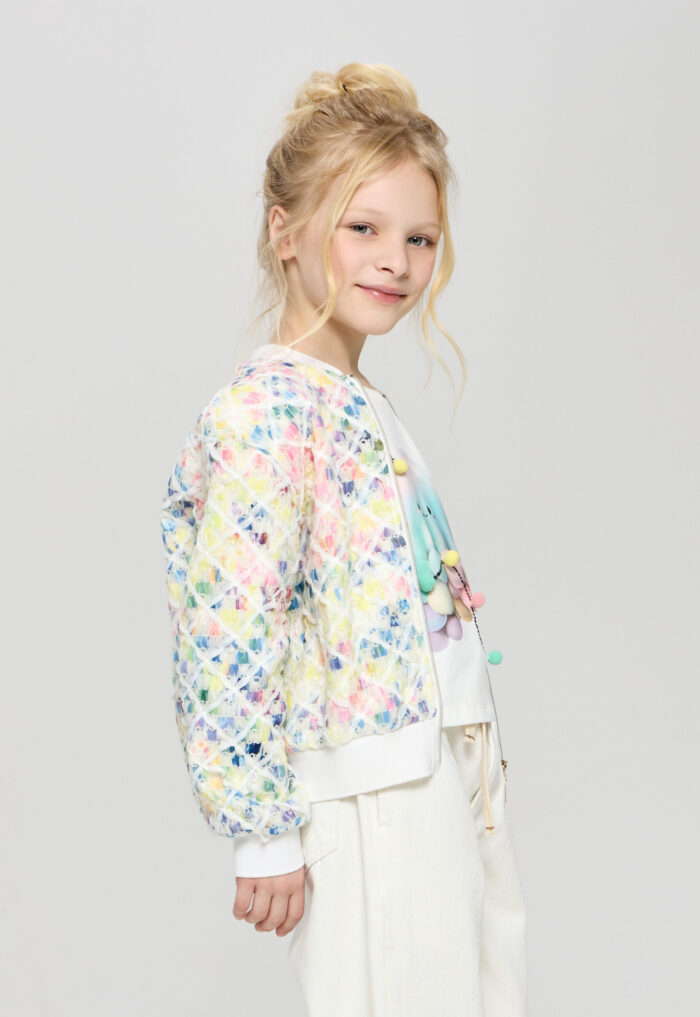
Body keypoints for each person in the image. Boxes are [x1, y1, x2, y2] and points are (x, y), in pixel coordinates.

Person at [160, 62, 528, 1016]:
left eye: (419, 238)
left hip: (436, 772)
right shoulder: (267, 412)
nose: (394, 260)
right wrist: (262, 829)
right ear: (285, 232)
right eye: (363, 228)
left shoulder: (353, 399)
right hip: (372, 796)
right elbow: (229, 628)